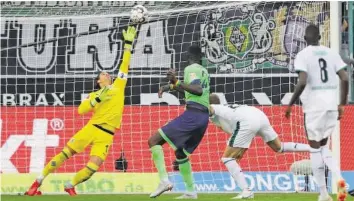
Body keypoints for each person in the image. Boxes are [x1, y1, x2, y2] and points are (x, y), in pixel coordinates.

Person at [25, 26, 137, 196]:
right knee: (64, 154)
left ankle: (70, 185)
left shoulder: (118, 87)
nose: (107, 74)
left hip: (107, 135)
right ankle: (37, 182)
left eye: (107, 73)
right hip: (92, 129)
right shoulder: (94, 95)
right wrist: (97, 99)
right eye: (103, 74)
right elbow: (81, 110)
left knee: (93, 167)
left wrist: (127, 45)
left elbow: (124, 65)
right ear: (99, 81)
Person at [285, 24, 349, 201]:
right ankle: (340, 179)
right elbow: (345, 77)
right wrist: (342, 104)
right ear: (320, 37)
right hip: (330, 106)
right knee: (323, 148)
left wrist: (290, 104)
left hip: (313, 108)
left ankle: (323, 193)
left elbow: (303, 81)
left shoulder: (303, 55)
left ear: (304, 39)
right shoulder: (331, 53)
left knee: (315, 150)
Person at [209, 94, 310, 199]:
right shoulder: (225, 111)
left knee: (228, 158)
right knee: (279, 147)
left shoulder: (215, 108)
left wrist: (194, 101)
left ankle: (246, 191)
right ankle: (313, 149)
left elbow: (209, 108)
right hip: (259, 115)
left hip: (246, 121)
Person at [148, 45, 210, 199]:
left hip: (193, 115)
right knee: (180, 153)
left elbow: (197, 90)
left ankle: (163, 180)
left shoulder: (191, 68)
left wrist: (176, 80)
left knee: (153, 140)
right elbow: (192, 91)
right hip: (202, 117)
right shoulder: (204, 70)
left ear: (188, 56)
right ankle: (190, 191)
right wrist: (171, 86)